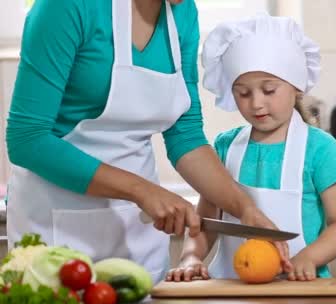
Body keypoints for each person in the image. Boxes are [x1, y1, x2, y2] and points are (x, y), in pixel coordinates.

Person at [5, 0, 289, 284]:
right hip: (56, 226)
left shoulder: (182, 13)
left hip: (137, 232)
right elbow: (27, 140)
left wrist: (244, 209)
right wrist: (141, 190)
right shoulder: (66, 7)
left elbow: (185, 135)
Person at [166, 14, 336, 282]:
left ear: (296, 88)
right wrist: (191, 256)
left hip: (301, 289)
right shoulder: (224, 147)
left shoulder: (320, 149)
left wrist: (309, 258)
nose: (256, 104)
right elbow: (207, 222)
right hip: (233, 293)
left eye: (269, 90)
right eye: (243, 93)